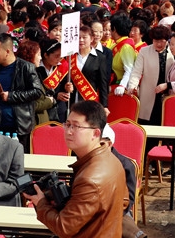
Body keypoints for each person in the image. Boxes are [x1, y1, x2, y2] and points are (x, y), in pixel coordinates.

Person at [25, 101, 128, 238]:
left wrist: (41, 202)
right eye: (67, 124)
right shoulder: (111, 159)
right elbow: (124, 202)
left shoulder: (90, 178)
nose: (68, 131)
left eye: (76, 126)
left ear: (96, 133)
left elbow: (64, 227)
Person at [0, 32, 44, 149]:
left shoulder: (26, 67)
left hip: (18, 126)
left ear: (7, 51)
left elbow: (37, 91)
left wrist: (11, 96)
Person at [126, 25, 172, 125]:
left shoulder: (172, 51)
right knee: (148, 122)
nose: (159, 44)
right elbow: (136, 72)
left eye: (162, 41)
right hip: (149, 92)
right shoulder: (144, 51)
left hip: (167, 92)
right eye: (156, 41)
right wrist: (132, 85)